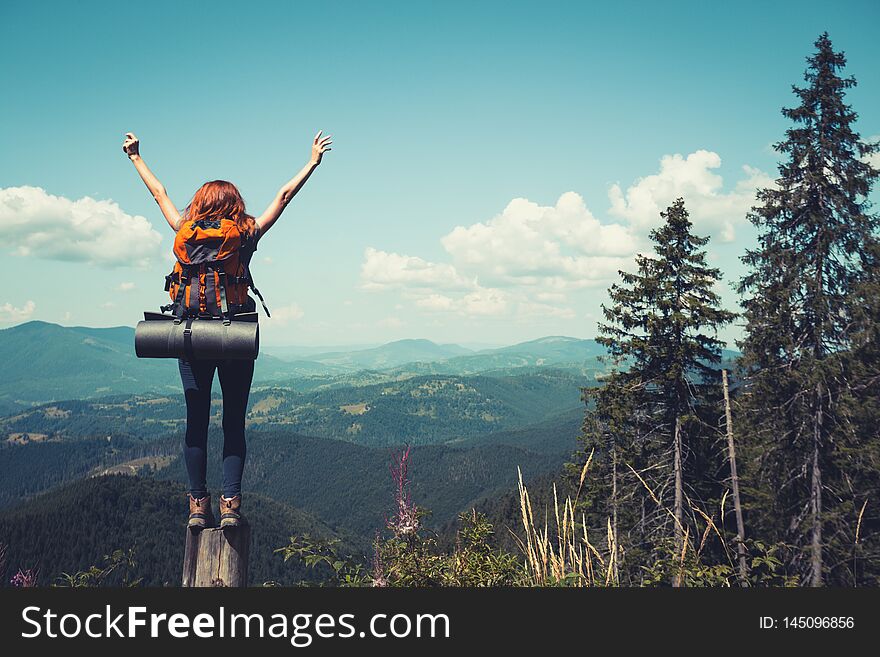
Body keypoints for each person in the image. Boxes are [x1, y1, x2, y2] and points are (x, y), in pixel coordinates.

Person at [122, 130, 332, 529]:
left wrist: (135, 157)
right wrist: (312, 163)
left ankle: (197, 506)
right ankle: (231, 505)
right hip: (233, 336)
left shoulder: (184, 229)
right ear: (234, 204)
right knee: (233, 421)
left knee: (195, 422)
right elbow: (283, 197)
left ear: (199, 203)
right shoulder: (245, 233)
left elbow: (158, 193)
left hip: (190, 337)